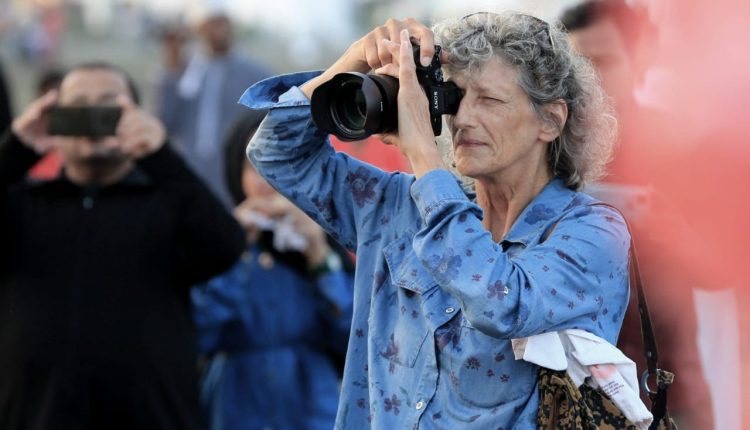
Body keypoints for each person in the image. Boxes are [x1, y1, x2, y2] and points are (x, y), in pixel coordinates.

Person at [240, 11, 632, 429]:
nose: (463, 119)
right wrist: (354, 61)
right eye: (456, 97)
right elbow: (277, 155)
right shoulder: (400, 208)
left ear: (551, 119)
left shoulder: (594, 233)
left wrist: (424, 155)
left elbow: (501, 303)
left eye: (490, 100)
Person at [0, 62, 245, 430]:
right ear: (55, 119)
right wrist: (14, 150)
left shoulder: (168, 203)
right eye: (78, 108)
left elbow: (226, 245)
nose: (93, 118)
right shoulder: (23, 204)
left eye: (109, 106)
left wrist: (160, 154)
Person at [561, 2, 716, 428]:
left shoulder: (677, 149)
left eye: (603, 62)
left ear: (637, 61)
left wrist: (680, 238)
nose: (590, 80)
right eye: (579, 66)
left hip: (671, 387)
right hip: (573, 394)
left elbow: (726, 268)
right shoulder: (549, 151)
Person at [191, 110, 355, 430]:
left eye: (279, 163)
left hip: (312, 409)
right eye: (254, 164)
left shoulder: (327, 239)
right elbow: (199, 331)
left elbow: (354, 337)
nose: (267, 178)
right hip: (236, 406)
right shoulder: (215, 243)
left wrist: (319, 257)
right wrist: (233, 251)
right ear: (235, 173)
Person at [153, 3, 272, 207]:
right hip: (191, 173)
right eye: (210, 24)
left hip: (236, 175)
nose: (217, 30)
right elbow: (165, 125)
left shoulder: (256, 74)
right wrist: (172, 68)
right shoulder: (182, 71)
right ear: (197, 30)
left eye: (221, 22)